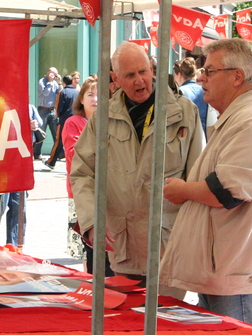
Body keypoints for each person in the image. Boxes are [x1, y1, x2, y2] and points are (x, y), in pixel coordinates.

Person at [159, 38, 252, 329]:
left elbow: (229, 190)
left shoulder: (250, 118)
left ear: (237, 76)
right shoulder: (241, 115)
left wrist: (183, 190)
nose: (202, 77)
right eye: (202, 70)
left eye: (210, 71)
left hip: (237, 269)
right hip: (228, 265)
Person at [70, 42, 204, 296]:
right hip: (123, 243)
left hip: (168, 245)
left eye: (143, 71)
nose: (139, 80)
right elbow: (82, 172)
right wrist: (91, 222)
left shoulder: (184, 112)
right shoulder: (102, 118)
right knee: (127, 323)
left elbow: (198, 175)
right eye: (129, 75)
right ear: (115, 78)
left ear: (152, 69)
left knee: (165, 323)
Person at [61, 75, 107, 274]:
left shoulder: (107, 121)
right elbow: (75, 156)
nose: (95, 99)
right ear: (81, 99)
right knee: (85, 249)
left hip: (106, 192)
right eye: (90, 94)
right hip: (81, 193)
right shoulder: (73, 122)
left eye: (99, 94)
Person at [4, 104, 43, 247]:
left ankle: (14, 245)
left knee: (18, 207)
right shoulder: (0, 105)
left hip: (21, 165)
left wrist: (34, 124)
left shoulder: (30, 108)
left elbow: (40, 123)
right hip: (2, 165)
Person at [44, 74, 78, 170]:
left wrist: (58, 116)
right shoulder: (77, 92)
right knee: (75, 141)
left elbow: (59, 106)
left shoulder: (63, 92)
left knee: (59, 140)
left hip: (64, 120)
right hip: (75, 119)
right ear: (72, 81)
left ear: (64, 82)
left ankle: (51, 162)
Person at [173, 57, 208, 135]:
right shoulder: (205, 91)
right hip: (206, 136)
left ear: (179, 75)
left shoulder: (179, 92)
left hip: (187, 136)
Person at [35, 67, 62, 160]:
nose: (55, 77)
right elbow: (45, 93)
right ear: (49, 73)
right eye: (54, 75)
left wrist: (59, 82)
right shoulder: (42, 81)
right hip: (43, 110)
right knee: (41, 132)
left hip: (52, 110)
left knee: (56, 133)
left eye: (56, 75)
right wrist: (50, 82)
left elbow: (61, 92)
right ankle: (37, 154)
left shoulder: (55, 83)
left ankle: (57, 153)